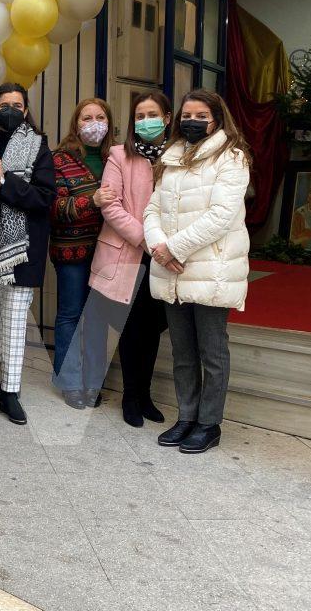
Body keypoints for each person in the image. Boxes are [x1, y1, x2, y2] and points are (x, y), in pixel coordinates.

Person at [145, 89, 251, 454]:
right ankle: (186, 417)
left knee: (212, 352)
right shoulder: (170, 155)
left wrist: (173, 248)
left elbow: (221, 216)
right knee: (183, 352)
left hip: (211, 268)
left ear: (217, 120)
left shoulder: (231, 157)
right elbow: (152, 210)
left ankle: (209, 423)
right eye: (187, 115)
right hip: (172, 269)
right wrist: (159, 248)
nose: (192, 121)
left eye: (201, 116)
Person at [89, 91, 173, 427]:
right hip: (132, 253)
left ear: (167, 118)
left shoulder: (178, 156)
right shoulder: (119, 155)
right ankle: (130, 396)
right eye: (139, 116)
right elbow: (111, 206)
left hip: (166, 255)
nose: (145, 121)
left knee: (154, 328)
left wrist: (167, 245)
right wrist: (146, 239)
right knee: (132, 327)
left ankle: (146, 395)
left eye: (152, 115)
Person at [0, 83, 56, 424]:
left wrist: (3, 180)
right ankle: (4, 385)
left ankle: (12, 393)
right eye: (4, 105)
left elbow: (44, 197)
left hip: (22, 250)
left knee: (14, 321)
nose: (10, 110)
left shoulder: (39, 146)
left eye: (16, 105)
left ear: (26, 110)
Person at [49, 98, 114, 409]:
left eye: (100, 117)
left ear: (109, 122)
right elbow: (55, 207)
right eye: (87, 118)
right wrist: (93, 201)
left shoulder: (116, 158)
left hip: (108, 253)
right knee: (70, 315)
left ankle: (93, 383)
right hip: (71, 252)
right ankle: (71, 382)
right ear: (76, 123)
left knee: (98, 318)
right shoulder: (59, 160)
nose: (94, 123)